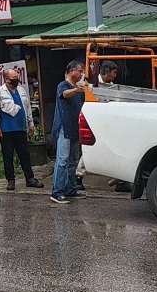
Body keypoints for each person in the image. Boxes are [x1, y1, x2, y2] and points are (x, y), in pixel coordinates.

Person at [0, 68, 43, 190]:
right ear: (7, 79)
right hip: (6, 130)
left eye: (17, 77)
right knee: (8, 156)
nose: (17, 80)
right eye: (14, 78)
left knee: (25, 154)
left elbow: (27, 107)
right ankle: (10, 180)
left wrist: (31, 123)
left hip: (21, 128)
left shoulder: (21, 91)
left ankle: (30, 178)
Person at [76, 60, 118, 190]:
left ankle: (121, 179)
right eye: (114, 73)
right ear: (106, 72)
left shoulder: (110, 85)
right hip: (92, 119)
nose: (115, 75)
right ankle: (78, 175)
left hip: (107, 119)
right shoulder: (89, 83)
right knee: (92, 146)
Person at [50, 60, 87, 204]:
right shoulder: (64, 85)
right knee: (63, 160)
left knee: (73, 161)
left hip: (75, 127)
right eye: (79, 71)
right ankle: (57, 191)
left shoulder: (79, 89)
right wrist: (76, 90)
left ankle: (70, 189)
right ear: (71, 71)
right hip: (64, 128)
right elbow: (64, 94)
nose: (81, 74)